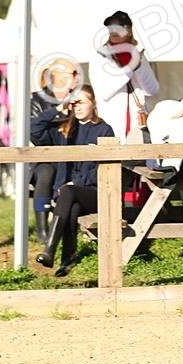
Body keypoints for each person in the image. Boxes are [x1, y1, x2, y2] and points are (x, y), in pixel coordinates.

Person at [31, 85, 115, 276]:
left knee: (68, 192)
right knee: (72, 206)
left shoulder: (104, 130)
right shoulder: (64, 129)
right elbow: (34, 130)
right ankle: (67, 260)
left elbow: (104, 169)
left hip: (95, 193)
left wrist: (77, 182)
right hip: (68, 196)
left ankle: (49, 249)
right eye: (74, 103)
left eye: (81, 102)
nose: (77, 107)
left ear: (93, 104)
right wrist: (58, 109)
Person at [30, 58, 79, 244]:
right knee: (45, 171)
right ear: (57, 77)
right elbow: (35, 134)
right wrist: (59, 111)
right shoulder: (37, 100)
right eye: (73, 74)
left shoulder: (79, 98)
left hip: (72, 157)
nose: (77, 78)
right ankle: (43, 230)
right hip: (44, 158)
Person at [90, 10, 159, 143]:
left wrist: (138, 67)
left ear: (129, 31)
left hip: (137, 126)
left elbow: (152, 90)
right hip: (110, 126)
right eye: (111, 27)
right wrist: (130, 68)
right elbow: (104, 91)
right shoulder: (101, 56)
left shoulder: (137, 56)